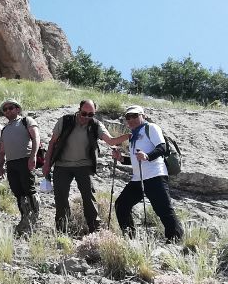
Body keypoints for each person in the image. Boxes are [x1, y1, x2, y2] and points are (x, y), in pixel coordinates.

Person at [110, 106, 184, 243]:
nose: (131, 119)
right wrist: (121, 158)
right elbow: (136, 160)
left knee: (163, 209)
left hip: (155, 175)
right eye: (128, 117)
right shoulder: (133, 135)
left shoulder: (151, 128)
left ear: (143, 116)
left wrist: (147, 156)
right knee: (121, 204)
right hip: (138, 178)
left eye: (135, 116)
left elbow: (162, 147)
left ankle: (175, 239)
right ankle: (130, 238)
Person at [42, 99, 108, 234]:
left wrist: (128, 137)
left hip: (84, 165)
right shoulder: (65, 121)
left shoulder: (95, 124)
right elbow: (52, 142)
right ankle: (62, 230)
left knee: (88, 197)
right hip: (62, 165)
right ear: (79, 110)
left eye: (91, 114)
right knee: (60, 198)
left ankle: (95, 230)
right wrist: (46, 163)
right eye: (84, 113)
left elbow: (110, 140)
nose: (87, 117)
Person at [0, 99, 41, 236]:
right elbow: (2, 151)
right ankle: (24, 218)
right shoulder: (5, 129)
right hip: (11, 163)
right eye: (5, 109)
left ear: (17, 109)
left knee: (29, 190)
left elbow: (36, 138)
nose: (8, 111)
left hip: (25, 160)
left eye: (10, 108)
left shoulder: (26, 121)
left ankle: (35, 218)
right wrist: (0, 167)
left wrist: (33, 156)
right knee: (18, 192)